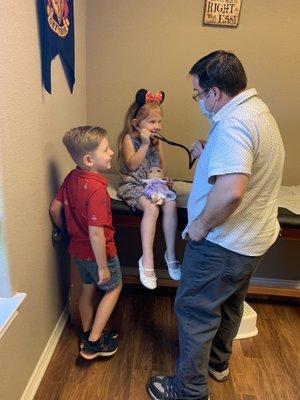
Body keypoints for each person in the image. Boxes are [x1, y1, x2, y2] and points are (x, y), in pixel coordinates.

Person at [147, 50, 285, 399]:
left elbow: (231, 192)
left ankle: (189, 390)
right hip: (252, 240)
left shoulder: (233, 124)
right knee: (229, 304)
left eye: (198, 94)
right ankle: (217, 364)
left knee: (194, 310)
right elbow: (244, 165)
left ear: (215, 93)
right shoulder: (257, 112)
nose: (199, 101)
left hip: (223, 243)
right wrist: (209, 151)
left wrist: (198, 228)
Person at [49, 126, 123, 360]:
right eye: (106, 149)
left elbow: (54, 208)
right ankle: (93, 344)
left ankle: (88, 332)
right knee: (114, 289)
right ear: (89, 159)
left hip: (78, 253)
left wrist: (64, 231)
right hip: (100, 255)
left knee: (87, 291)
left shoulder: (72, 176)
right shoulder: (98, 189)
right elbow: (96, 233)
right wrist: (103, 266)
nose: (111, 152)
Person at [117, 89, 181, 289]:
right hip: (133, 184)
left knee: (171, 203)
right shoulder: (128, 138)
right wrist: (144, 144)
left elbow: (161, 165)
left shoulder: (158, 140)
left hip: (154, 184)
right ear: (137, 123)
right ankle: (147, 259)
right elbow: (132, 165)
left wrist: (165, 178)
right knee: (152, 208)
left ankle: (170, 252)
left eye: (159, 121)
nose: (157, 126)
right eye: (152, 122)